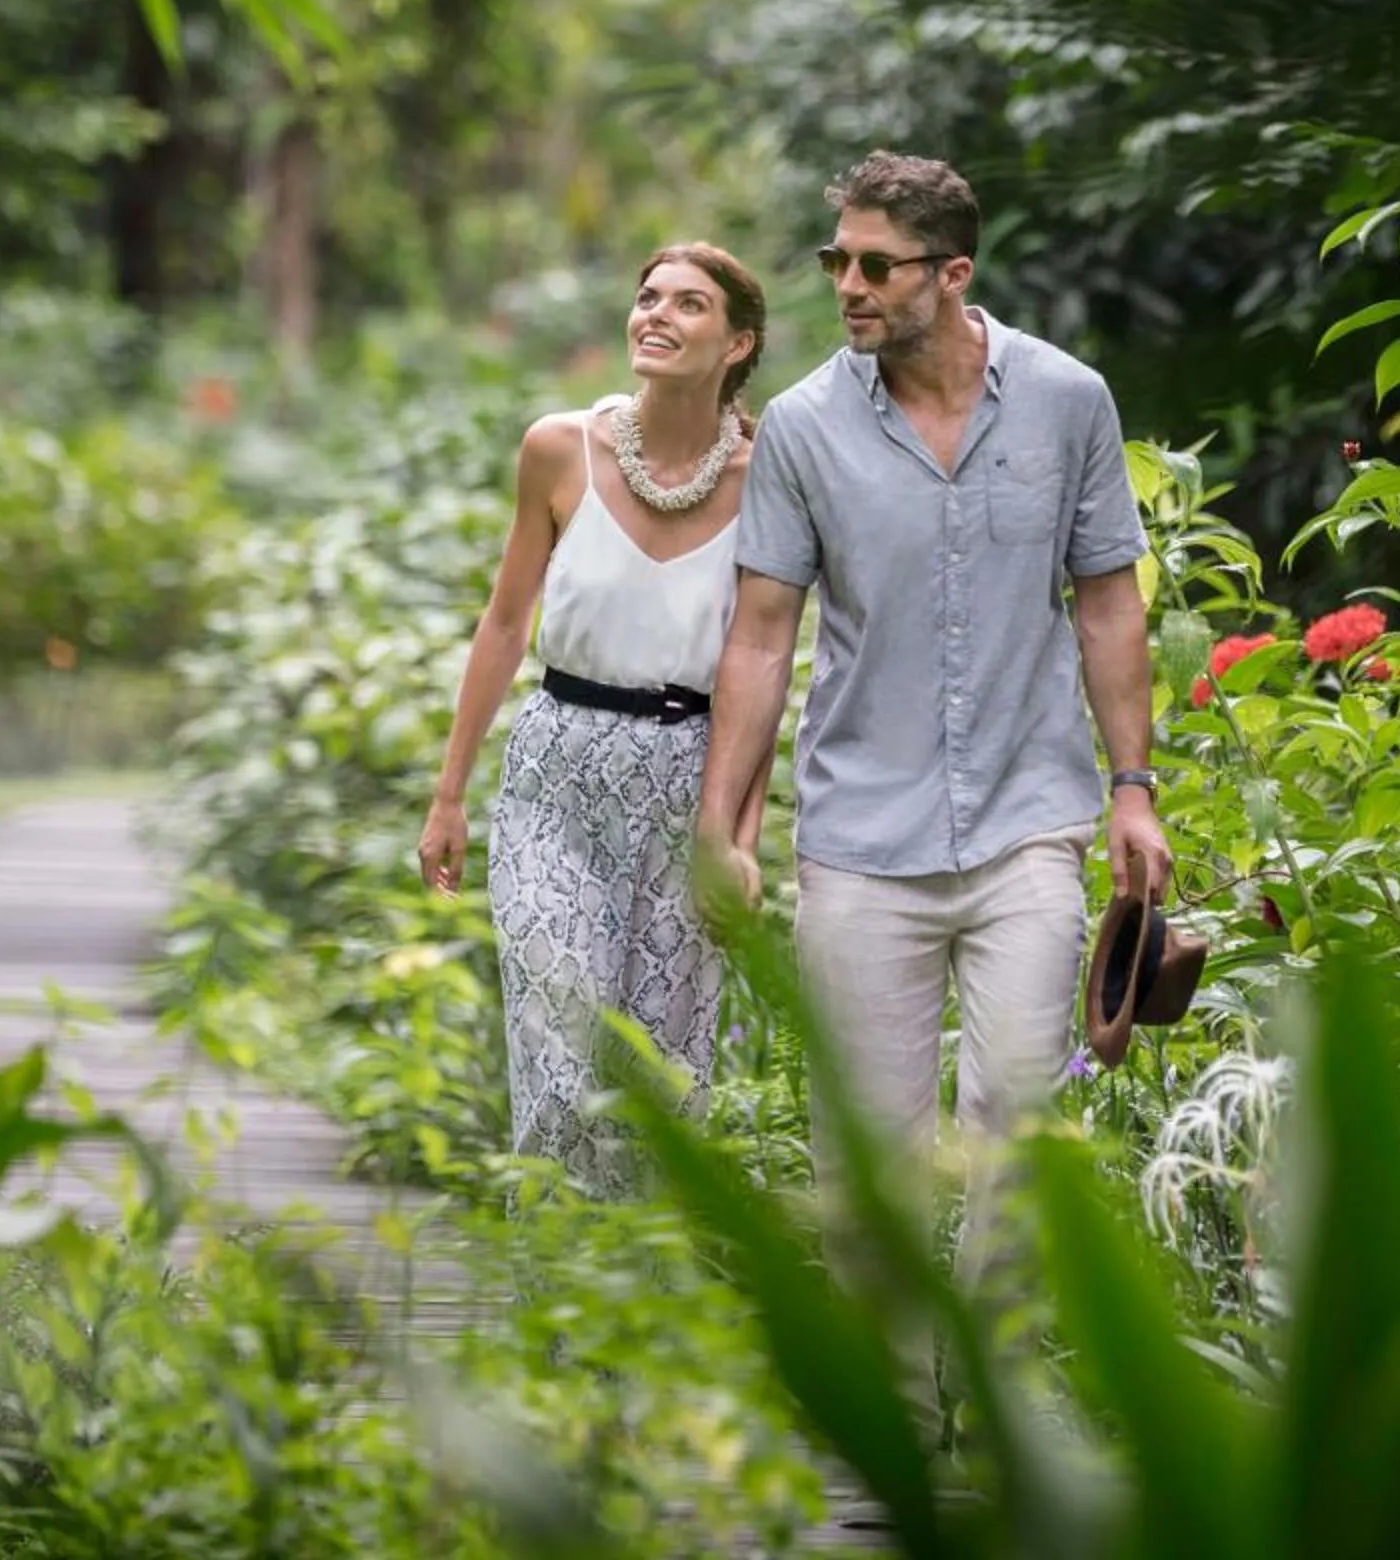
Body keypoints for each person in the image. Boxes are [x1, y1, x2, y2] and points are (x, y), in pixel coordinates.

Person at [695, 150, 1171, 1413]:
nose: (847, 284)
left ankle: (994, 1397)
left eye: (875, 264)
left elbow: (1109, 601)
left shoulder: (1069, 402)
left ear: (952, 275)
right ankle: (901, 1412)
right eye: (835, 260)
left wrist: (1134, 787)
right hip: (860, 838)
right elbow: (759, 634)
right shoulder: (800, 425)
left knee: (1018, 1121)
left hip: (1030, 824)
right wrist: (723, 824)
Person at [418, 243, 770, 1193]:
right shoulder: (557, 448)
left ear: (737, 341)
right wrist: (449, 796)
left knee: (660, 1087)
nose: (655, 315)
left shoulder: (769, 476)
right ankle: (554, 1311)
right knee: (562, 1056)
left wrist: (739, 838)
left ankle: (641, 1317)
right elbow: (502, 623)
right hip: (555, 774)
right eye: (647, 297)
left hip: (688, 780)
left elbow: (757, 668)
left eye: (688, 305)